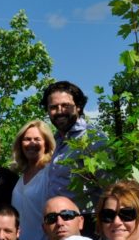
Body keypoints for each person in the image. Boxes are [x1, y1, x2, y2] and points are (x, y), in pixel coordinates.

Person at [43, 81, 107, 220]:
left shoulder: (92, 139)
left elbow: (110, 188)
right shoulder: (57, 141)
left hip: (86, 221)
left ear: (78, 107)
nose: (60, 111)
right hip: (59, 221)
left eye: (65, 105)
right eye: (53, 107)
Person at [11, 120, 55, 240]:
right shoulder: (20, 177)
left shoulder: (50, 173)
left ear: (46, 143)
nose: (31, 143)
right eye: (27, 139)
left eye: (37, 139)